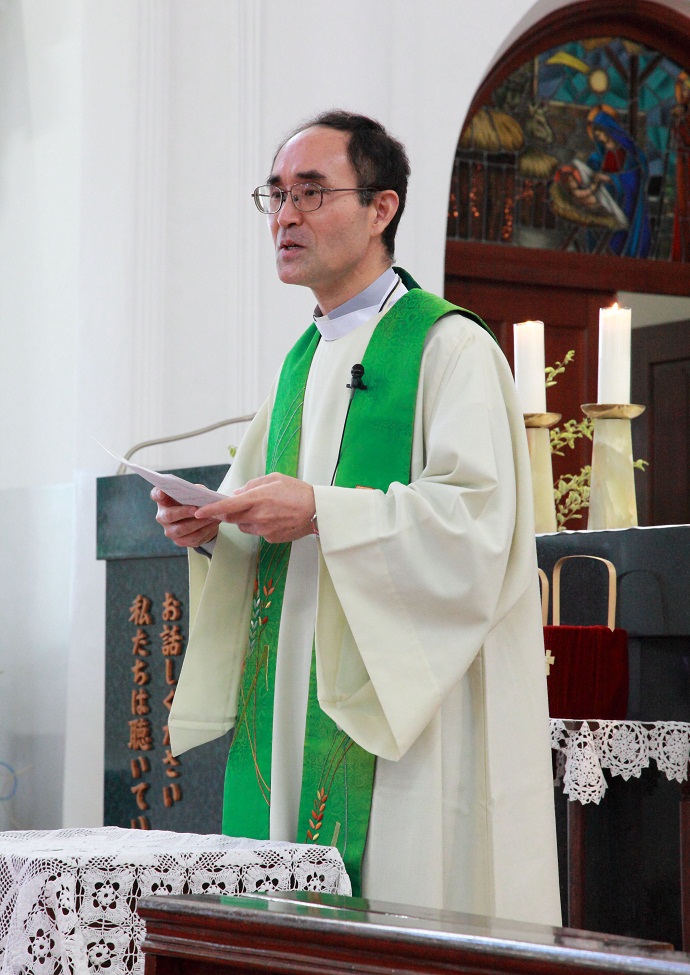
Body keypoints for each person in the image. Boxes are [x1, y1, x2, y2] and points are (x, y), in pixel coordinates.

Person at [153, 110, 561, 925]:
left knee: (407, 904)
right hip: (292, 693)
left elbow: (476, 525)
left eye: (310, 192)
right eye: (275, 195)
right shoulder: (302, 361)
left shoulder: (449, 348)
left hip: (405, 710)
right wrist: (215, 528)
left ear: (382, 208)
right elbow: (259, 509)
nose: (286, 215)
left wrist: (320, 510)